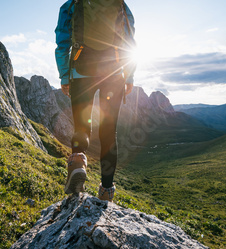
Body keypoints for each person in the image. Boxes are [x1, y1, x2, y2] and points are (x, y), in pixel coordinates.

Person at [55, 0, 136, 202]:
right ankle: (107, 190)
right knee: (109, 131)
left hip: (81, 71)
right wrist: (129, 76)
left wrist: (65, 76)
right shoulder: (120, 5)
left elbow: (62, 42)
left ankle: (79, 164)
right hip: (114, 73)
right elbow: (130, 42)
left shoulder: (72, 5)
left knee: (82, 125)